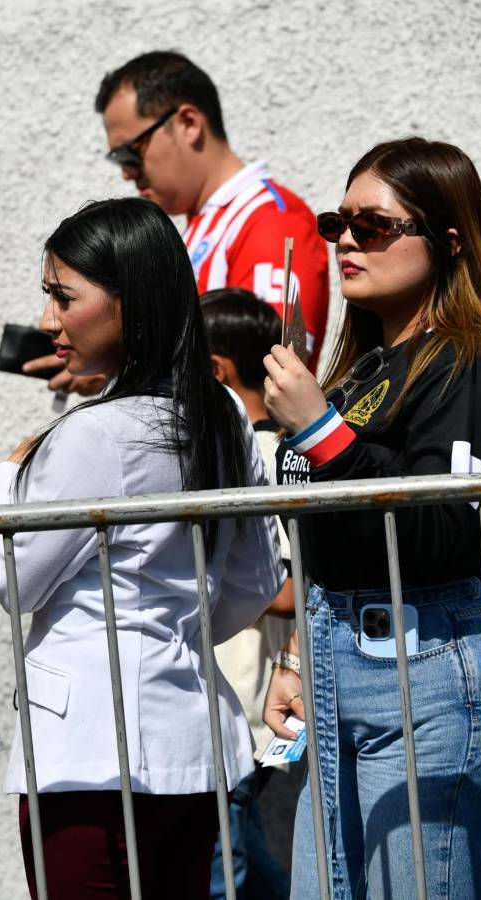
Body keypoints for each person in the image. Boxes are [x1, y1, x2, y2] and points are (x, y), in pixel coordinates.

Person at [261, 137, 481, 899]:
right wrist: (295, 655)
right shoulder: (357, 372)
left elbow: (444, 533)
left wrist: (319, 430)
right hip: (342, 663)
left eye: (373, 226)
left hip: (437, 673)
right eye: (337, 224)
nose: (346, 242)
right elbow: (323, 532)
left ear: (448, 240)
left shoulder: (477, 363)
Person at [0, 197, 283, 899]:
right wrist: (171, 636)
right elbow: (255, 576)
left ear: (129, 303)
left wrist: (7, 473)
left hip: (89, 755)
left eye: (64, 297)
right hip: (188, 740)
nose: (48, 319)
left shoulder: (95, 433)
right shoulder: (219, 411)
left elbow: (14, 583)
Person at [24, 52, 330, 396]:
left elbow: (262, 372)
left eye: (130, 153)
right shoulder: (209, 222)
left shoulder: (271, 220)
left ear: (189, 123)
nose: (126, 173)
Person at [201, 288, 294, 900]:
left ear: (214, 372)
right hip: (247, 707)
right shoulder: (267, 453)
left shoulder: (259, 457)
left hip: (243, 705)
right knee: (240, 846)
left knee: (220, 863)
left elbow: (289, 588)